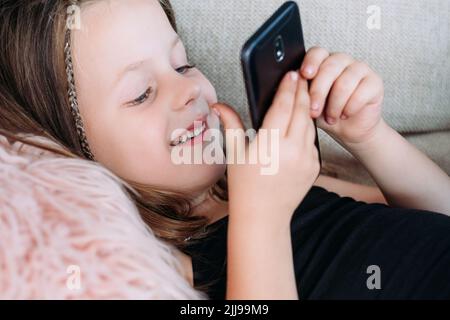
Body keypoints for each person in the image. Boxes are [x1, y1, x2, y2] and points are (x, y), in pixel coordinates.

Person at [0, 0, 449, 299]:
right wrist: (261, 217)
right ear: (70, 153)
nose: (188, 89)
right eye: (141, 94)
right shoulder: (160, 268)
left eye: (182, 63)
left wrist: (366, 137)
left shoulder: (250, 181)